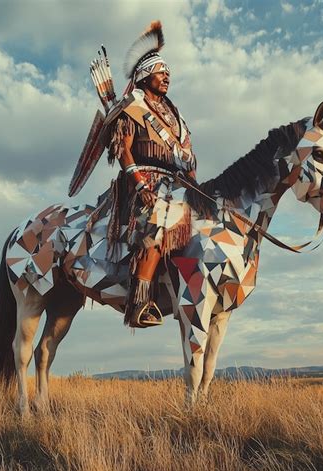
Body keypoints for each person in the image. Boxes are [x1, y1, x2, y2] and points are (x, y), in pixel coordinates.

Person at [89, 21, 197, 328]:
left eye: (168, 74)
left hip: (174, 184)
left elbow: (187, 153)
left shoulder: (176, 116)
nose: (167, 78)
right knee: (157, 221)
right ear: (145, 76)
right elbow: (122, 149)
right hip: (142, 184)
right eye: (161, 73)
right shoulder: (133, 107)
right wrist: (139, 185)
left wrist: (192, 179)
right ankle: (138, 304)